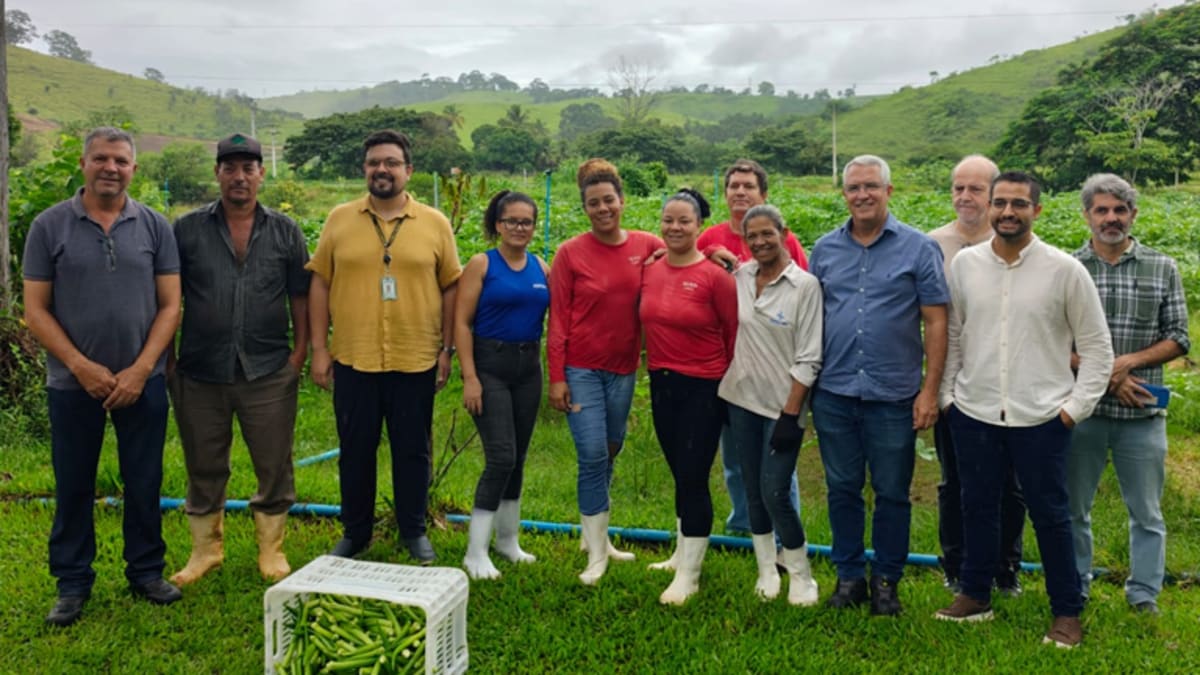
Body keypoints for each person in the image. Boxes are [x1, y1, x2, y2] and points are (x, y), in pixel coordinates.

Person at [935, 171, 1112, 650]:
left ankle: (1067, 611)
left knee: (1051, 515)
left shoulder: (1064, 271)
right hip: (974, 411)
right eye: (1000, 203)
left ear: (1038, 209)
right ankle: (975, 594)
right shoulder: (966, 266)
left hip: (1043, 417)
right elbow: (954, 336)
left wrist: (1074, 408)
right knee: (977, 505)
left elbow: (1097, 348)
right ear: (989, 208)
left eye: (1019, 204)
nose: (1008, 212)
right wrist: (949, 397)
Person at [23, 127, 183, 626]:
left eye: (120, 160)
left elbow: (171, 304)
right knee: (73, 483)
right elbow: (36, 309)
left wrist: (140, 370)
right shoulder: (49, 227)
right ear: (83, 163)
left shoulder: (156, 226)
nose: (110, 168)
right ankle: (72, 582)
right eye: (101, 159)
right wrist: (80, 365)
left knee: (144, 480)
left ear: (134, 168)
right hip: (73, 385)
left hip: (144, 382)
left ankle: (145, 571)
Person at [307, 129, 462, 564]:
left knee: (412, 449)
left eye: (392, 163)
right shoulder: (340, 218)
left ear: (408, 171)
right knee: (356, 449)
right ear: (365, 169)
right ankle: (355, 533)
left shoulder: (435, 223)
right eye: (375, 162)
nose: (382, 170)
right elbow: (320, 282)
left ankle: (413, 530)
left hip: (415, 358)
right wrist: (320, 349)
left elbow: (451, 286)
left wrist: (446, 350)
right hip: (354, 357)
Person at [807, 154, 948, 616]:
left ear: (889, 191)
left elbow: (936, 321)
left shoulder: (918, 248)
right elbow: (811, 319)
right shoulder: (825, 250)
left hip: (893, 394)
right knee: (842, 487)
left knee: (891, 491)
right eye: (854, 188)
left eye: (871, 186)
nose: (862, 195)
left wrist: (930, 391)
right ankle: (849, 577)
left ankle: (887, 580)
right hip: (835, 391)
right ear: (844, 195)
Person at [169, 133, 311, 585]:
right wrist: (170, 361)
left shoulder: (285, 230)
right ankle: (205, 551)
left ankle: (271, 550)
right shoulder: (186, 229)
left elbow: (300, 297)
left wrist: (299, 355)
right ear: (217, 173)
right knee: (204, 460)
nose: (239, 177)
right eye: (229, 168)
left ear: (261, 174)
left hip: (268, 368)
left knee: (273, 461)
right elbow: (168, 298)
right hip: (199, 368)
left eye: (248, 168)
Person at [1067, 173, 1190, 615]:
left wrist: (1126, 364)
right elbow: (1054, 340)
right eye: (1101, 210)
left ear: (1133, 214)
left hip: (1142, 416)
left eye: (1120, 210)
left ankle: (1143, 595)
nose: (1111, 218)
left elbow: (1178, 337)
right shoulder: (1068, 267)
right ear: (1087, 215)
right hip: (1084, 410)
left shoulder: (1163, 267)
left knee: (1148, 513)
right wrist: (1107, 375)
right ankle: (1075, 586)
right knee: (1074, 508)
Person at [547, 158, 661, 585]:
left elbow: (685, 256)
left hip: (624, 368)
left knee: (612, 448)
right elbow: (558, 319)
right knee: (592, 452)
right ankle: (596, 555)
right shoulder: (570, 253)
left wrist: (718, 253)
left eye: (608, 200)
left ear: (622, 201)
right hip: (581, 369)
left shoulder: (648, 246)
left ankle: (597, 535)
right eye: (593, 203)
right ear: (585, 208)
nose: (602, 209)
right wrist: (556, 375)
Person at [927, 155, 1027, 595]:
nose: (965, 197)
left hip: (1011, 385)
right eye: (958, 188)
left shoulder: (1012, 241)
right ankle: (957, 563)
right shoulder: (931, 244)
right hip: (953, 383)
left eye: (976, 189)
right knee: (955, 481)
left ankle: (1006, 567)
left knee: (1011, 482)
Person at [718, 204, 822, 606]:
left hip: (783, 406)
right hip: (740, 400)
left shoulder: (805, 286)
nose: (760, 242)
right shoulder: (741, 276)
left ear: (784, 232)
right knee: (751, 488)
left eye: (768, 234)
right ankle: (765, 571)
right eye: (752, 236)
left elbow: (810, 356)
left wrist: (791, 413)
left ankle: (800, 572)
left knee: (775, 489)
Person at [696, 158, 804, 536]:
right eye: (734, 186)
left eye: (749, 186)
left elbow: (801, 293)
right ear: (725, 193)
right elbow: (681, 269)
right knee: (736, 457)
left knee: (776, 460)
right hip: (725, 368)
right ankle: (744, 523)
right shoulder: (708, 238)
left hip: (774, 371)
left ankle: (783, 531)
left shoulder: (782, 238)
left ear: (763, 194)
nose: (740, 192)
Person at [641, 189, 738, 604]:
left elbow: (734, 335)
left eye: (684, 221)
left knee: (694, 475)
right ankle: (681, 554)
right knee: (680, 471)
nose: (675, 227)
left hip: (705, 385)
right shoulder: (652, 268)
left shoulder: (716, 277)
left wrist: (730, 391)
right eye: (668, 220)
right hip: (662, 381)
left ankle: (691, 576)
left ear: (700, 225)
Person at [456, 191, 550, 580]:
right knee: (500, 457)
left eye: (526, 222)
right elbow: (461, 323)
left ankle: (507, 541)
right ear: (498, 224)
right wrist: (471, 377)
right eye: (511, 221)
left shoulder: (541, 266)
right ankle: (475, 552)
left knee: (518, 458)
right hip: (489, 365)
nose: (519, 228)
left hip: (528, 367)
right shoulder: (482, 264)